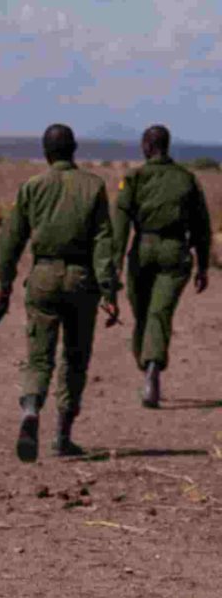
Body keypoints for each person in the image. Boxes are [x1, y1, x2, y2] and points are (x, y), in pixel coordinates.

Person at [0, 125, 119, 461]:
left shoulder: (33, 186)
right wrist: (109, 291)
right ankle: (63, 435)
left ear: (46, 152)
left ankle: (31, 411)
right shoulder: (93, 186)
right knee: (75, 359)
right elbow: (103, 242)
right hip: (82, 282)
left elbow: (11, 240)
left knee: (39, 356)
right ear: (74, 149)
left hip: (43, 278)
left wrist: (4, 285)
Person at [113, 125, 212, 408]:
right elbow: (202, 228)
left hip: (141, 250)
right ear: (167, 146)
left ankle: (149, 368)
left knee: (143, 314)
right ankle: (151, 366)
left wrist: (113, 267)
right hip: (176, 252)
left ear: (146, 146)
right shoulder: (187, 179)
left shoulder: (134, 178)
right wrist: (203, 266)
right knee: (159, 313)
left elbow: (119, 227)